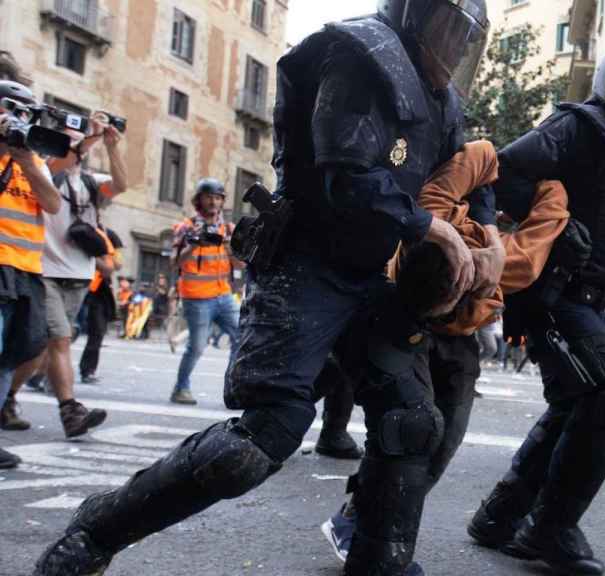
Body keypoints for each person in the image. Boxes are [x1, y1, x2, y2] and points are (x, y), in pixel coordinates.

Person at [33, 1, 493, 574]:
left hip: (373, 276)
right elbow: (345, 174)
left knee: (412, 420)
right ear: (412, 15)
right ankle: (96, 531)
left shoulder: (443, 99)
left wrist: (486, 239)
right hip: (307, 263)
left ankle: (381, 561)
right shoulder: (357, 53)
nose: (452, 48)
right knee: (255, 443)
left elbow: (468, 170)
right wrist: (431, 228)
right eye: (445, 29)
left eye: (463, 37)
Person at [467, 38, 605, 575]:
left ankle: (499, 517)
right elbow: (500, 173)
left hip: (592, 302)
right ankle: (549, 529)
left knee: (575, 405)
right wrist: (552, 224)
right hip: (555, 295)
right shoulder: (579, 127)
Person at [321, 139, 574, 568]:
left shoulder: (502, 260)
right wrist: (549, 194)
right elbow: (546, 212)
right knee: (413, 430)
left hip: (460, 340)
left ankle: (362, 517)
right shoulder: (430, 221)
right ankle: (364, 528)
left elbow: (484, 151)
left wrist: (492, 233)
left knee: (444, 440)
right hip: (405, 321)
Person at [9, 101, 127, 439]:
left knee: (42, 349)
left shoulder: (89, 183)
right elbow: (61, 163)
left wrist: (112, 145)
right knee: (58, 339)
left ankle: (9, 396)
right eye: (71, 139)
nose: (79, 144)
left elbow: (120, 184)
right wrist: (87, 138)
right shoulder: (46, 168)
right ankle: (70, 411)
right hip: (44, 270)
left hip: (79, 275)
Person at [0, 80, 62, 465]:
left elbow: (53, 204)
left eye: (25, 113)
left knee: (15, 353)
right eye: (12, 110)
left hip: (25, 270)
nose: (19, 120)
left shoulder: (32, 160)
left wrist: (23, 160)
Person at [167, 178, 241, 404]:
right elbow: (174, 263)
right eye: (209, 196)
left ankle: (234, 389)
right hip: (197, 297)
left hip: (224, 295)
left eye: (218, 197)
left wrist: (230, 247)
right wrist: (194, 245)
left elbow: (240, 265)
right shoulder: (186, 227)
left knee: (243, 338)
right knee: (197, 346)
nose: (213, 201)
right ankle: (181, 389)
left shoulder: (228, 228)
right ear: (199, 200)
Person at [78, 227, 123, 383]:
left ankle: (88, 370)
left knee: (96, 333)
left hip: (97, 292)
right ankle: (41, 373)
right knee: (63, 332)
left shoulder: (108, 235)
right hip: (79, 285)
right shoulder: (85, 231)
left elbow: (117, 264)